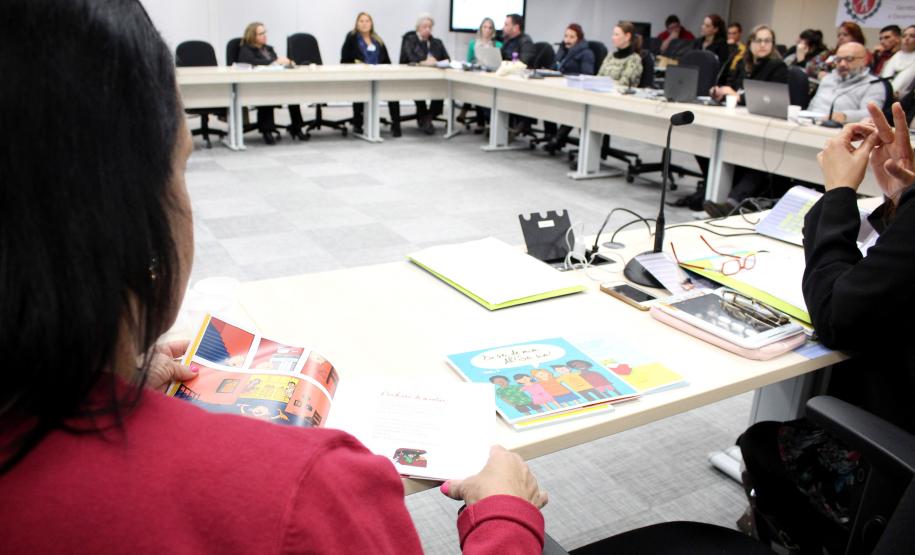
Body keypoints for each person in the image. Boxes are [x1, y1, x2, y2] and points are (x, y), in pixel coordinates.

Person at [0, 1, 549, 552]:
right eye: (181, 165)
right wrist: (506, 517)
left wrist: (113, 367)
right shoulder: (301, 491)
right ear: (131, 217)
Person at [737, 101, 915, 553]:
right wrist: (900, 196)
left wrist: (838, 192)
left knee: (763, 440)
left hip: (899, 442)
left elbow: (838, 315)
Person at [704, 25, 790, 218]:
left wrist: (737, 96)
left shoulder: (778, 67)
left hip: (768, 126)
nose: (763, 45)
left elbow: (770, 99)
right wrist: (721, 93)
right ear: (750, 43)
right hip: (741, 120)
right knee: (706, 141)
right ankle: (715, 193)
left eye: (767, 41)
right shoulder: (744, 64)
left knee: (756, 155)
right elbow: (733, 88)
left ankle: (733, 202)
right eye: (758, 40)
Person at [237, 22, 304, 144]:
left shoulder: (268, 48)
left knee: (293, 94)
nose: (264, 35)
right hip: (257, 87)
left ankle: (297, 127)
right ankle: (267, 131)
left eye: (265, 32)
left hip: (275, 82)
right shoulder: (246, 49)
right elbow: (253, 61)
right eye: (261, 33)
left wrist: (285, 62)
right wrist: (275, 61)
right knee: (266, 94)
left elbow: (275, 63)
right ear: (252, 36)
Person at [340, 12, 401, 137]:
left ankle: (396, 124)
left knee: (393, 91)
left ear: (371, 23)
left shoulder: (377, 39)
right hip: (359, 76)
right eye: (361, 21)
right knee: (360, 92)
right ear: (357, 23)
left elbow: (387, 60)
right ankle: (358, 123)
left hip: (379, 75)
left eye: (367, 21)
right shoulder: (351, 38)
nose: (364, 23)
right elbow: (344, 59)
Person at [543, 23, 595, 153]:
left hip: (575, 91)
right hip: (559, 88)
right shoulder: (562, 51)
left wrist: (567, 76)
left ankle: (558, 138)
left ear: (579, 39)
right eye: (566, 36)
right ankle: (551, 135)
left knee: (573, 110)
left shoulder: (586, 53)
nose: (567, 40)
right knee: (544, 101)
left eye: (572, 37)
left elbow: (586, 75)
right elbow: (554, 67)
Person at [807, 41, 886, 125]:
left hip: (841, 131)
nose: (842, 64)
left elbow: (870, 114)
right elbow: (813, 105)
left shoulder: (873, 84)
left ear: (864, 60)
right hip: (810, 125)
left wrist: (845, 116)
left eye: (849, 59)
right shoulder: (828, 78)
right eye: (838, 60)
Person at [400, 14, 450, 134]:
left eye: (430, 27)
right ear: (418, 28)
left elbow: (447, 59)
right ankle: (426, 118)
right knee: (419, 92)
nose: (428, 29)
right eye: (425, 26)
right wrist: (424, 61)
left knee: (441, 91)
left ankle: (426, 118)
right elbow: (409, 57)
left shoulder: (437, 42)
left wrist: (437, 62)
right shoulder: (410, 40)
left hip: (435, 78)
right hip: (416, 77)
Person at [462, 17, 503, 132]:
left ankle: (491, 122)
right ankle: (481, 122)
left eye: (490, 28)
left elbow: (500, 62)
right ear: (481, 29)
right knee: (478, 91)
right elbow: (469, 61)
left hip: (492, 76)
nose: (487, 30)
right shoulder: (473, 44)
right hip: (477, 75)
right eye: (485, 27)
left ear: (493, 30)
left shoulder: (498, 45)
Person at [501, 13, 537, 137]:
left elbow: (523, 63)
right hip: (508, 78)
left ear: (516, 27)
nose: (503, 27)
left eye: (506, 24)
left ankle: (519, 123)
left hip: (523, 82)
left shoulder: (525, 42)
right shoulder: (508, 41)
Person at [597, 21, 643, 88]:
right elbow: (599, 77)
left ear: (627, 37)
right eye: (613, 34)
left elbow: (624, 83)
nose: (612, 37)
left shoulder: (634, 59)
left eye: (616, 34)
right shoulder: (610, 56)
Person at [881, 25, 915, 99]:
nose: (907, 38)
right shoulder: (895, 56)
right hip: (883, 97)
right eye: (904, 36)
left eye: (912, 36)